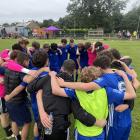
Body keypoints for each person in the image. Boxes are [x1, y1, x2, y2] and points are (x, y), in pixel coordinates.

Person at [56, 55, 138, 140]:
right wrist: (128, 103)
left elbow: (86, 86)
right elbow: (135, 82)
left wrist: (62, 83)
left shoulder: (101, 82)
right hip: (119, 122)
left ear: (99, 68)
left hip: (105, 124)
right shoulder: (114, 81)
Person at [4, 52, 32, 140]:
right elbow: (27, 80)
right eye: (28, 61)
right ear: (24, 61)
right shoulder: (21, 72)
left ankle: (17, 138)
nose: (28, 63)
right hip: (18, 101)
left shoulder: (8, 68)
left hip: (8, 100)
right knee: (27, 122)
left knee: (14, 120)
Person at [0, 53, 13, 139]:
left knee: (5, 113)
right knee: (4, 114)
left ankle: (10, 130)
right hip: (1, 95)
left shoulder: (2, 67)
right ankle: (9, 134)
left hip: (4, 94)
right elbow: (2, 81)